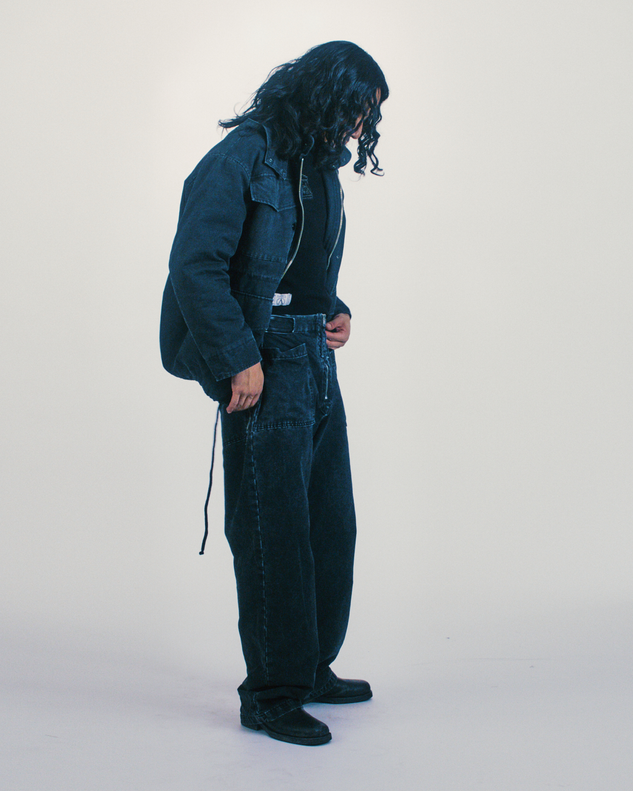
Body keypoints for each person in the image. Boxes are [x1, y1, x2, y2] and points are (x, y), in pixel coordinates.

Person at [160, 41, 388, 746]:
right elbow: (196, 263)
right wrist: (238, 358)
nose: (359, 125)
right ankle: (271, 694)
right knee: (273, 531)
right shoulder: (241, 157)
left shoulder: (319, 167)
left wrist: (332, 307)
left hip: (313, 356)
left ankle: (310, 667)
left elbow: (294, 262)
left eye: (367, 115)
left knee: (330, 526)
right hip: (265, 361)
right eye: (356, 108)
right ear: (323, 93)